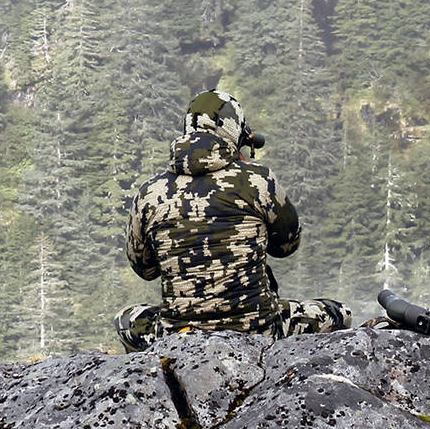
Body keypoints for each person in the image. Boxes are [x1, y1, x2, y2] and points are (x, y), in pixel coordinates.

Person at [116, 88, 345, 351]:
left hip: (177, 336)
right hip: (259, 330)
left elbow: (145, 269)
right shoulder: (258, 180)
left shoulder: (149, 193)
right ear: (234, 130)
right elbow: (286, 246)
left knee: (126, 320)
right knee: (339, 312)